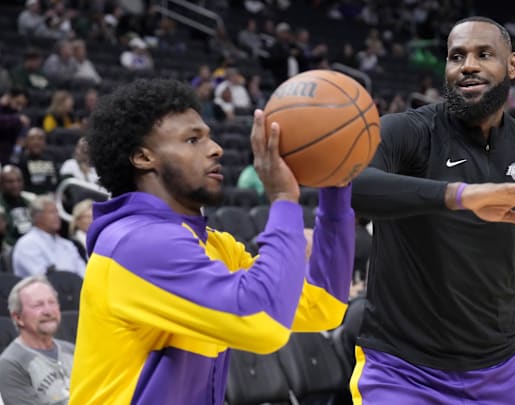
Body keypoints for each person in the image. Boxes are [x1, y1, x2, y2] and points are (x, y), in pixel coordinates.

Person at [68, 79, 356, 404]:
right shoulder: (137, 244)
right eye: (193, 139)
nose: (216, 148)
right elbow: (264, 324)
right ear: (143, 157)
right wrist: (282, 199)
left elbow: (323, 307)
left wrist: (335, 185)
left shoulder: (212, 246)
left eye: (208, 135)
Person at [350, 17, 515, 404]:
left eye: (484, 54)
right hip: (402, 369)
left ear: (512, 66)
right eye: (456, 56)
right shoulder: (407, 132)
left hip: (498, 369)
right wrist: (460, 195)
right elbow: (355, 187)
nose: (468, 65)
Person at [0, 276, 75, 405]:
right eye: (38, 305)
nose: (48, 311)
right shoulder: (10, 364)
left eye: (52, 302)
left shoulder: (71, 350)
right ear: (18, 317)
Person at [12, 195, 87, 278]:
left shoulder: (67, 244)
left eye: (57, 212)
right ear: (37, 217)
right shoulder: (26, 244)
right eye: (52, 212)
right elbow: (42, 278)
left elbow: (84, 274)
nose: (57, 216)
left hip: (76, 288)